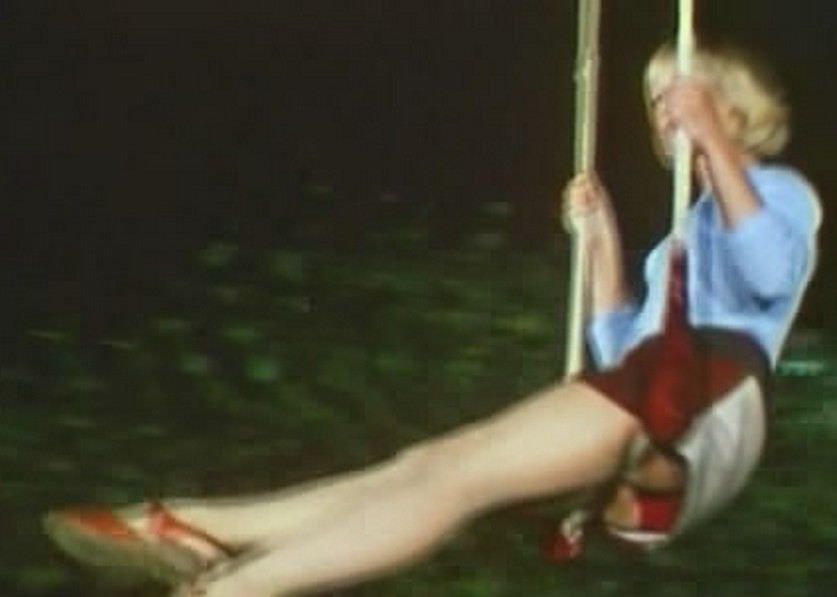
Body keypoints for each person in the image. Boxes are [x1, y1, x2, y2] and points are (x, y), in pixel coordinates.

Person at [43, 40, 821, 597]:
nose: (664, 112)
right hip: (665, 406)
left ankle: (222, 569)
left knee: (452, 474)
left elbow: (765, 272)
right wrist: (602, 242)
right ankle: (198, 537)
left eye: (681, 95)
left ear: (732, 107)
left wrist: (713, 143)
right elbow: (620, 349)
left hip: (710, 401)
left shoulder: (778, 192)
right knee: (425, 467)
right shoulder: (686, 233)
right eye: (657, 102)